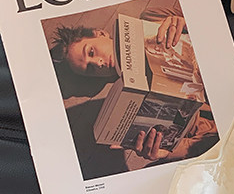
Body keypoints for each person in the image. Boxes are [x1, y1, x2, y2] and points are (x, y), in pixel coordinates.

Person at [50, 9, 198, 165]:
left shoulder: (153, 18)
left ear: (100, 33)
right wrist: (166, 151)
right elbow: (200, 142)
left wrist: (190, 25)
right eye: (90, 69)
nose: (98, 63)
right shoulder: (130, 107)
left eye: (91, 52)